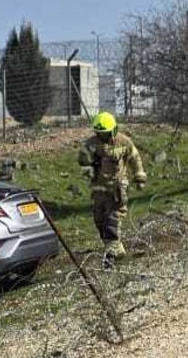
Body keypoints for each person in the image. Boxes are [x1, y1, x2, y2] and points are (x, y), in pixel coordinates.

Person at [78, 111, 146, 264]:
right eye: (99, 133)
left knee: (113, 218)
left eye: (105, 133)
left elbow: (135, 159)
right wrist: (89, 158)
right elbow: (82, 160)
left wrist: (139, 177)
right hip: (99, 188)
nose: (102, 136)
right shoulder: (92, 143)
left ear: (113, 130)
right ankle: (117, 249)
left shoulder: (124, 142)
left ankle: (111, 251)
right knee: (99, 219)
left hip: (118, 186)